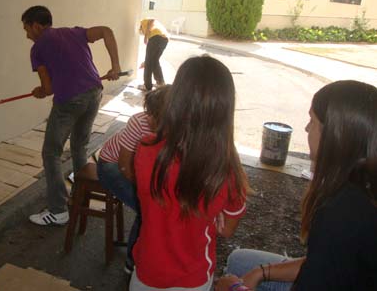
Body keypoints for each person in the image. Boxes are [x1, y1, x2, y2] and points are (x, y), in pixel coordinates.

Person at [216, 80, 377, 291]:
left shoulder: (339, 214)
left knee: (231, 274)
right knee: (241, 260)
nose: (307, 128)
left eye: (313, 121)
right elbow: (322, 261)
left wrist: (234, 287)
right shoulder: (362, 189)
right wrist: (261, 272)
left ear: (335, 136)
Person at [131, 55, 249, 290]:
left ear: (175, 98)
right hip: (193, 278)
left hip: (146, 272)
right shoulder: (227, 170)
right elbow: (226, 229)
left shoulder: (144, 149)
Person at [21, 5, 121, 226]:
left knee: (51, 153)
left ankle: (58, 210)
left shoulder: (37, 49)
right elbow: (106, 30)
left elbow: (48, 88)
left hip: (70, 101)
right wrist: (116, 65)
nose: (27, 35)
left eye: (27, 29)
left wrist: (39, 92)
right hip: (94, 93)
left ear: (36, 26)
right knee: (79, 145)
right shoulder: (73, 32)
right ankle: (80, 192)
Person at [96, 85, 171, 274]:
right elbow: (124, 166)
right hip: (112, 165)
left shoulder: (178, 126)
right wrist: (146, 192)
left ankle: (155, 251)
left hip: (139, 167)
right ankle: (132, 262)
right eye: (149, 113)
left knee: (160, 207)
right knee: (147, 210)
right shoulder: (140, 123)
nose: (149, 118)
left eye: (155, 115)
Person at [138, 19, 170, 91]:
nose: (142, 33)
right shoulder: (155, 29)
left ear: (141, 27)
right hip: (164, 40)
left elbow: (152, 20)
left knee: (149, 63)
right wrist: (146, 61)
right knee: (154, 61)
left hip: (156, 38)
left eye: (141, 31)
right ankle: (160, 83)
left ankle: (147, 86)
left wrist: (145, 36)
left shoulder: (143, 21)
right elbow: (151, 58)